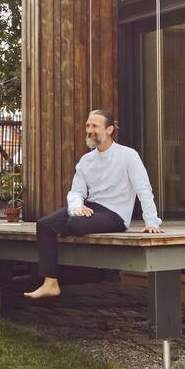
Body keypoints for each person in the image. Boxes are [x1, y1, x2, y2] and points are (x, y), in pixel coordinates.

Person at [23, 109, 162, 299]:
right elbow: (76, 191)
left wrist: (152, 222)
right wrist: (76, 207)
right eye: (88, 125)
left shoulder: (128, 155)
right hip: (90, 208)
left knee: (75, 224)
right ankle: (50, 283)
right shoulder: (86, 160)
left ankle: (69, 229)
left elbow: (143, 189)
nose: (89, 130)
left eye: (95, 126)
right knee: (45, 225)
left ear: (110, 130)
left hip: (115, 214)